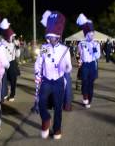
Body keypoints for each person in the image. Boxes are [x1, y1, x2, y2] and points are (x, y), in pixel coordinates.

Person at [34, 10, 72, 139]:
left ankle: (57, 129)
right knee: (41, 103)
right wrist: (37, 74)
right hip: (46, 80)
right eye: (49, 36)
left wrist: (66, 67)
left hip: (58, 81)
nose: (50, 39)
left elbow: (68, 66)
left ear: (58, 36)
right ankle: (45, 119)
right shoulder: (44, 47)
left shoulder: (65, 49)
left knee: (58, 107)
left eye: (53, 36)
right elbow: (39, 62)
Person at [76, 13, 101, 109]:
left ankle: (89, 99)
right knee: (84, 82)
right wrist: (78, 60)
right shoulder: (81, 44)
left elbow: (97, 56)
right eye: (89, 34)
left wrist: (94, 48)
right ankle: (85, 97)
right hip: (84, 65)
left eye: (92, 34)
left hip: (92, 65)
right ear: (86, 34)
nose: (91, 35)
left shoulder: (96, 44)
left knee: (91, 83)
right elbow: (78, 54)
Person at [0, 18, 20, 102]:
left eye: (13, 36)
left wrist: (17, 47)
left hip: (12, 62)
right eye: (11, 36)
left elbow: (18, 55)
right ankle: (4, 93)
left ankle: (12, 94)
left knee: (13, 80)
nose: (13, 37)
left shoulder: (14, 43)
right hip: (4, 63)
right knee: (4, 79)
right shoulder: (2, 42)